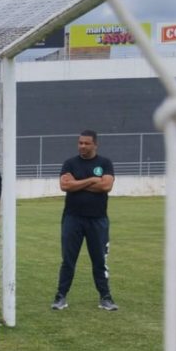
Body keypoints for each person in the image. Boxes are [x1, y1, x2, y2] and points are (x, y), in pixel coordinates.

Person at [51, 130, 118, 311]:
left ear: (95, 144)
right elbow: (65, 185)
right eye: (80, 143)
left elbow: (106, 185)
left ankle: (105, 297)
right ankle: (60, 297)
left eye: (86, 143)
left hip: (98, 220)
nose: (82, 146)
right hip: (73, 219)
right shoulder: (70, 163)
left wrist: (77, 184)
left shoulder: (105, 163)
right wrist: (91, 180)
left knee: (99, 260)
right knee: (68, 260)